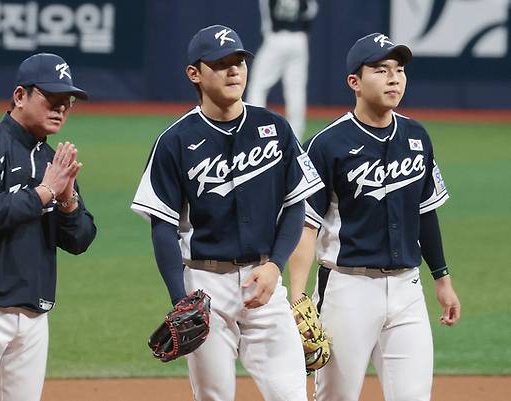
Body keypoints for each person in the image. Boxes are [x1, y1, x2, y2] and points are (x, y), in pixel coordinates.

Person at [131, 25, 324, 401]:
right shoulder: (175, 140)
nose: (234, 70)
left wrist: (275, 266)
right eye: (221, 64)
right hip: (206, 288)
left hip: (266, 282)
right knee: (213, 396)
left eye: (238, 62)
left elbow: (295, 204)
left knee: (292, 395)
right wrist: (180, 300)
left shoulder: (274, 128)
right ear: (195, 74)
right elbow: (162, 227)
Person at [288, 33, 461, 401]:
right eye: (381, 71)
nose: (394, 79)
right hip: (347, 289)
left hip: (407, 290)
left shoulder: (417, 136)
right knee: (336, 397)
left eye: (399, 70)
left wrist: (442, 278)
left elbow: (425, 212)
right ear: (355, 81)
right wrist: (298, 294)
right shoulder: (326, 144)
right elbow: (307, 224)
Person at [0, 52, 97, 401]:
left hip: (33, 318)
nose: (61, 109)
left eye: (67, 102)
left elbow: (81, 238)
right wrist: (44, 193)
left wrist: (67, 200)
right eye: (51, 99)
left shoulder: (53, 162)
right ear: (20, 96)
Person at [246, 0, 319, 141]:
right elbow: (311, 10)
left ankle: (252, 127)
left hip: (276, 37)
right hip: (299, 38)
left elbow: (266, 17)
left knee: (258, 86)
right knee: (296, 89)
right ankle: (295, 135)